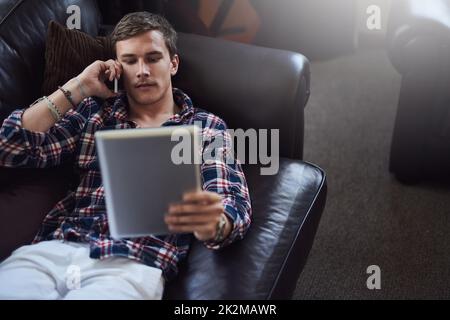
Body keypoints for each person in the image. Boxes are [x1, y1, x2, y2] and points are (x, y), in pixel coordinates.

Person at [0, 12, 251, 300]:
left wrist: (215, 224)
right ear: (117, 68)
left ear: (173, 63)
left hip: (132, 262)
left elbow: (231, 198)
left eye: (153, 58)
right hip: (54, 248)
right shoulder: (95, 112)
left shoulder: (205, 126)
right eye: (130, 61)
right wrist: (78, 86)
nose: (142, 70)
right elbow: (10, 146)